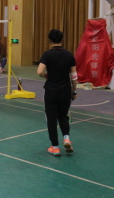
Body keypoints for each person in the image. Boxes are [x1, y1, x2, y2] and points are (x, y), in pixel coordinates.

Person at [37, 29, 77, 157]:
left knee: (51, 119)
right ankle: (66, 138)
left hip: (51, 92)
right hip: (65, 91)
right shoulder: (69, 55)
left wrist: (45, 75)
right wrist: (74, 90)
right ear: (62, 40)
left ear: (49, 41)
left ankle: (55, 147)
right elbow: (74, 76)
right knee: (63, 116)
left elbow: (39, 71)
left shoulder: (47, 54)